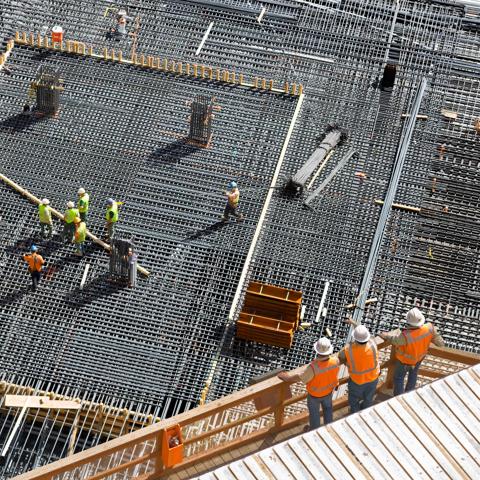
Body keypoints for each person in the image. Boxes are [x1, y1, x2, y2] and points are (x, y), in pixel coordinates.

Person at [380, 307, 444, 396]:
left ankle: (399, 398)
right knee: (413, 375)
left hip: (404, 361)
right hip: (419, 358)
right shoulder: (430, 328)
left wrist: (385, 335)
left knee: (398, 378)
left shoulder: (405, 336)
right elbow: (440, 343)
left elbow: (395, 340)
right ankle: (408, 395)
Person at [278, 337, 339, 430]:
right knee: (328, 409)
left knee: (314, 414)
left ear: (317, 351)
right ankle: (329, 427)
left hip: (315, 396)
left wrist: (288, 378)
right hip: (328, 392)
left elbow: (301, 377)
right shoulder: (335, 360)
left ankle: (314, 430)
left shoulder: (313, 367)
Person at [339, 324, 380, 414]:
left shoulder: (349, 349)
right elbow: (365, 336)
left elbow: (340, 355)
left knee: (353, 401)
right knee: (368, 399)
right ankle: (365, 412)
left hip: (357, 381)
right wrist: (353, 323)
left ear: (355, 339)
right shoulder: (373, 344)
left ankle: (355, 414)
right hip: (373, 378)